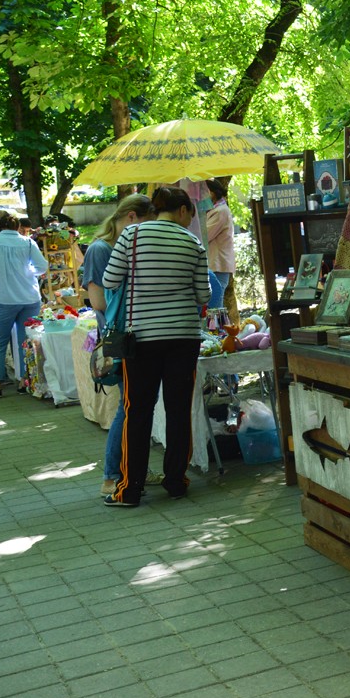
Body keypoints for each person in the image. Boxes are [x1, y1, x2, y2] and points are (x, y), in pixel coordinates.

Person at [102, 186, 210, 507]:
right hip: (183, 338)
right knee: (178, 410)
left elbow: (110, 280)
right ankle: (176, 482)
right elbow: (203, 296)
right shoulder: (192, 243)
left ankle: (130, 489)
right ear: (181, 211)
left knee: (138, 411)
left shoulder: (132, 236)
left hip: (142, 340)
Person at [80, 193, 154, 496]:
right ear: (132, 217)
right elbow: (97, 300)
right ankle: (111, 475)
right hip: (119, 337)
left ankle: (131, 468)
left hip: (132, 334)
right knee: (128, 407)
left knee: (135, 406)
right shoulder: (101, 249)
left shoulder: (122, 247)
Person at [0, 212, 47, 399]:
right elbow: (42, 266)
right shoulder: (28, 242)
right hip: (30, 298)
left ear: (0, 226)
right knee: (27, 342)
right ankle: (26, 382)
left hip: (4, 299)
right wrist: (28, 272)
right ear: (17, 227)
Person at [204, 179, 235, 311]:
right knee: (215, 306)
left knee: (215, 306)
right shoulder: (214, 210)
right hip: (216, 264)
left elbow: (205, 235)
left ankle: (217, 332)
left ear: (213, 193)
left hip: (218, 265)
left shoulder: (220, 211)